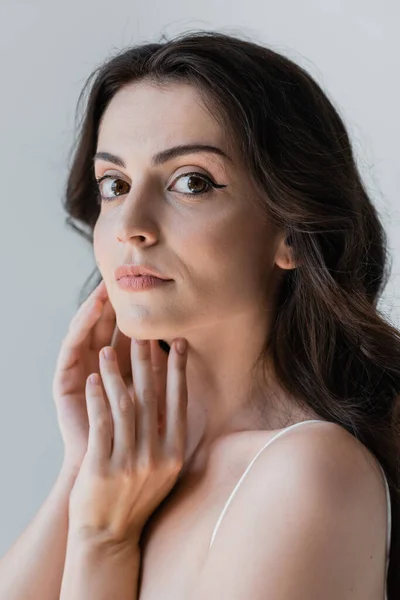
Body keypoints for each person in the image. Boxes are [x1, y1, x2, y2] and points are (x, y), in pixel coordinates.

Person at [1, 30, 399, 600]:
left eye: (191, 182)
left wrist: (104, 541)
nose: (131, 225)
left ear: (291, 231)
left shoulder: (308, 474)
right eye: (114, 184)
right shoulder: (128, 475)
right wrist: (83, 468)